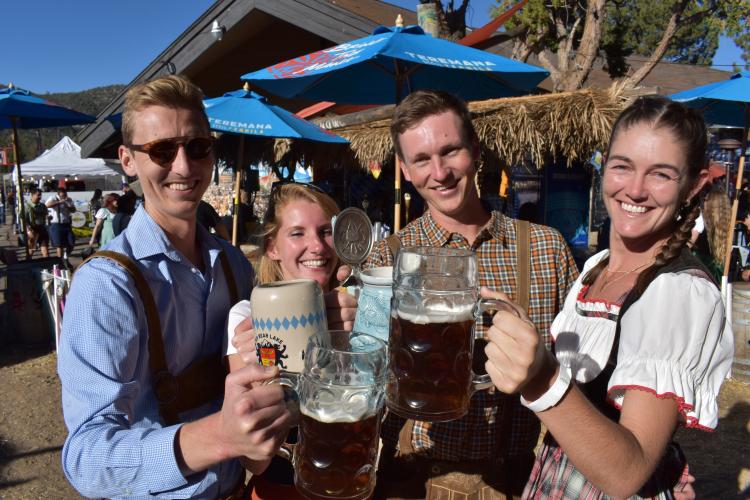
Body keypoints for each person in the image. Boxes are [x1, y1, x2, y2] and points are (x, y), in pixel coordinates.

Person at [484, 96, 734, 499]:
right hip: (561, 474)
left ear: (694, 184)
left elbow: (626, 474)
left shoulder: (677, 293)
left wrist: (542, 377)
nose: (634, 189)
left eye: (661, 175)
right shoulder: (595, 267)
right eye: (622, 166)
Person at [58, 74, 293, 498]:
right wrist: (220, 437)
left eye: (197, 148)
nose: (183, 167)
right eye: (162, 150)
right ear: (128, 160)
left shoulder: (233, 263)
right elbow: (86, 459)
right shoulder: (107, 284)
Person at [363, 89, 579, 499]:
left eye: (451, 151)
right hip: (412, 480)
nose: (440, 172)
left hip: (513, 480)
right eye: (422, 159)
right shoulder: (387, 259)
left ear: (475, 151)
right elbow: (366, 376)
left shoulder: (545, 248)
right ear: (405, 169)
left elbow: (579, 371)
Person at [225, 181, 356, 499]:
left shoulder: (356, 307)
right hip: (279, 490)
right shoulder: (246, 318)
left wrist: (356, 341)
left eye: (326, 232)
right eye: (298, 233)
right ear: (272, 247)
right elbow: (253, 462)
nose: (318, 246)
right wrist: (266, 373)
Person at [45, 186, 76, 260]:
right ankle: (60, 261)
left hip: (66, 224)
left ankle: (65, 256)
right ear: (58, 194)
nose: (64, 197)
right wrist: (59, 202)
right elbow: (47, 205)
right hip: (56, 224)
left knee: (71, 243)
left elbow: (73, 209)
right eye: (62, 196)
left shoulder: (69, 200)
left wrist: (67, 206)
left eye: (65, 195)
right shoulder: (53, 198)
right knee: (59, 245)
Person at [24, 187, 50, 258]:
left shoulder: (42, 206)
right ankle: (27, 265)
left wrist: (48, 218)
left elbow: (46, 215)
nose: (40, 197)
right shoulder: (26, 206)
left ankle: (47, 265)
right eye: (38, 195)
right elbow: (23, 220)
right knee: (31, 251)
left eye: (40, 195)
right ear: (32, 195)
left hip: (41, 229)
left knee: (45, 251)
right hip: (32, 230)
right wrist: (28, 231)